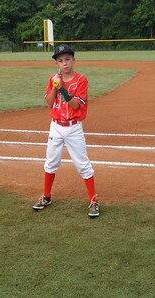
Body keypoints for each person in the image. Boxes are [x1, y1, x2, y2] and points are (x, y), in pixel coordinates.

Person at [33, 44, 100, 218]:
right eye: (61, 60)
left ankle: (93, 200)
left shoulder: (81, 80)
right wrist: (55, 86)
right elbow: (48, 103)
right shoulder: (53, 79)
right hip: (56, 125)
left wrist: (62, 87)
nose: (65, 63)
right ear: (57, 63)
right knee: (51, 162)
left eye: (68, 59)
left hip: (73, 128)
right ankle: (46, 196)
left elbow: (76, 104)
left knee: (82, 165)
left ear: (73, 60)